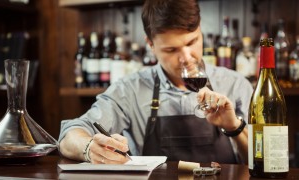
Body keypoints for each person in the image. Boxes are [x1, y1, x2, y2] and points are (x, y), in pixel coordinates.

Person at [58, 0, 253, 165]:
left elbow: (263, 161)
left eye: (192, 42)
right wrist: (89, 147)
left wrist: (234, 127)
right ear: (150, 44)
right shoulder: (129, 90)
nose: (186, 57)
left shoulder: (235, 85)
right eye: (171, 50)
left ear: (200, 29)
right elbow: (69, 135)